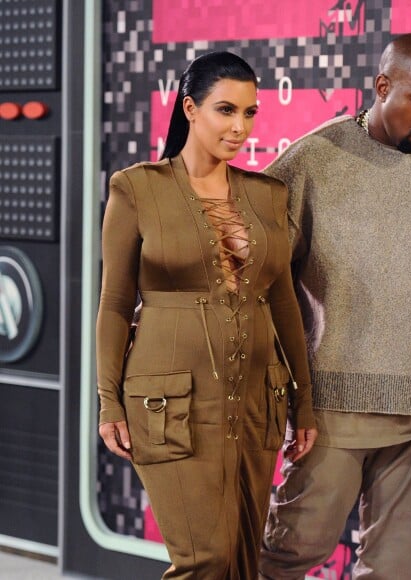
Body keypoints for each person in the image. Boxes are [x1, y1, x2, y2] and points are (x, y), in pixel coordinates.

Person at [259, 33, 411, 579]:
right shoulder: (313, 161)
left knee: (394, 569)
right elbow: (256, 276)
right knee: (289, 554)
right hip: (328, 410)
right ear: (381, 86)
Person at [96, 51, 318, 579]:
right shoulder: (136, 188)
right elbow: (114, 304)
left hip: (257, 400)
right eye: (225, 110)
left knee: (242, 556)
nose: (240, 127)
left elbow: (284, 302)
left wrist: (304, 402)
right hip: (167, 403)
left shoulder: (268, 195)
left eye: (249, 113)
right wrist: (108, 402)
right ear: (190, 108)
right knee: (206, 559)